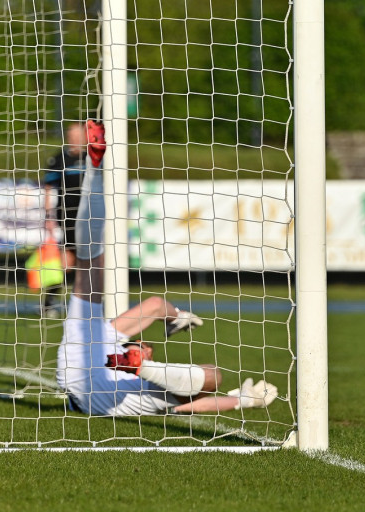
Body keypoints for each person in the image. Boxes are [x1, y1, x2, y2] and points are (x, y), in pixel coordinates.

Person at [56, 120, 278, 417]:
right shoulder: (110, 339)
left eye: (142, 347)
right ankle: (95, 168)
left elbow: (156, 308)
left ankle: (95, 170)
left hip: (87, 380)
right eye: (143, 347)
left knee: (90, 262)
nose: (144, 344)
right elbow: (155, 306)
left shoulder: (131, 367)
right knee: (93, 259)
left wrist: (178, 318)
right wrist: (244, 399)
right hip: (82, 369)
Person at [40, 122, 87, 317]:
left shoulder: (94, 158)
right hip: (68, 217)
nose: (74, 139)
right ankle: (49, 303)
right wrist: (49, 216)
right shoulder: (60, 159)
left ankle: (86, 305)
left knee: (90, 262)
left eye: (78, 135)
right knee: (66, 262)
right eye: (71, 136)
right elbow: (49, 188)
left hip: (92, 218)